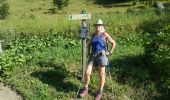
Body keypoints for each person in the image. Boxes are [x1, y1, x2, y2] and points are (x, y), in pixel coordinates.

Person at [79, 19, 116, 100]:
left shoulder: (104, 34)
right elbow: (89, 45)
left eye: (99, 25)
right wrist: (88, 53)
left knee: (101, 74)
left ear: (102, 26)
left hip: (102, 55)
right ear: (95, 26)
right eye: (96, 25)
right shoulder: (93, 35)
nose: (98, 27)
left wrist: (110, 52)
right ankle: (85, 89)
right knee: (87, 72)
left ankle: (100, 91)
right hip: (92, 55)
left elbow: (113, 43)